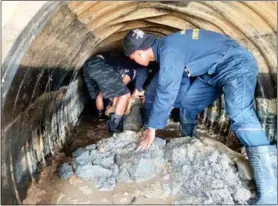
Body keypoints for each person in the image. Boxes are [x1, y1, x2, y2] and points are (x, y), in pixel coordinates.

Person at [122, 28, 277, 204]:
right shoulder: (170, 48)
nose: (133, 61)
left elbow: (166, 89)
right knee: (188, 103)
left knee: (240, 113)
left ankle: (271, 195)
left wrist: (152, 128)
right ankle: (187, 141)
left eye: (132, 57)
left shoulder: (169, 51)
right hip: (211, 74)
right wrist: (170, 106)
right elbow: (178, 84)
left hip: (235, 64)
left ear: (140, 52)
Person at [83, 51, 145, 133]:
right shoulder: (132, 70)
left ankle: (100, 117)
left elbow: (114, 88)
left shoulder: (121, 62)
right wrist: (115, 106)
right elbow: (120, 90)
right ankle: (115, 128)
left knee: (99, 93)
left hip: (89, 64)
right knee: (125, 94)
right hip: (99, 64)